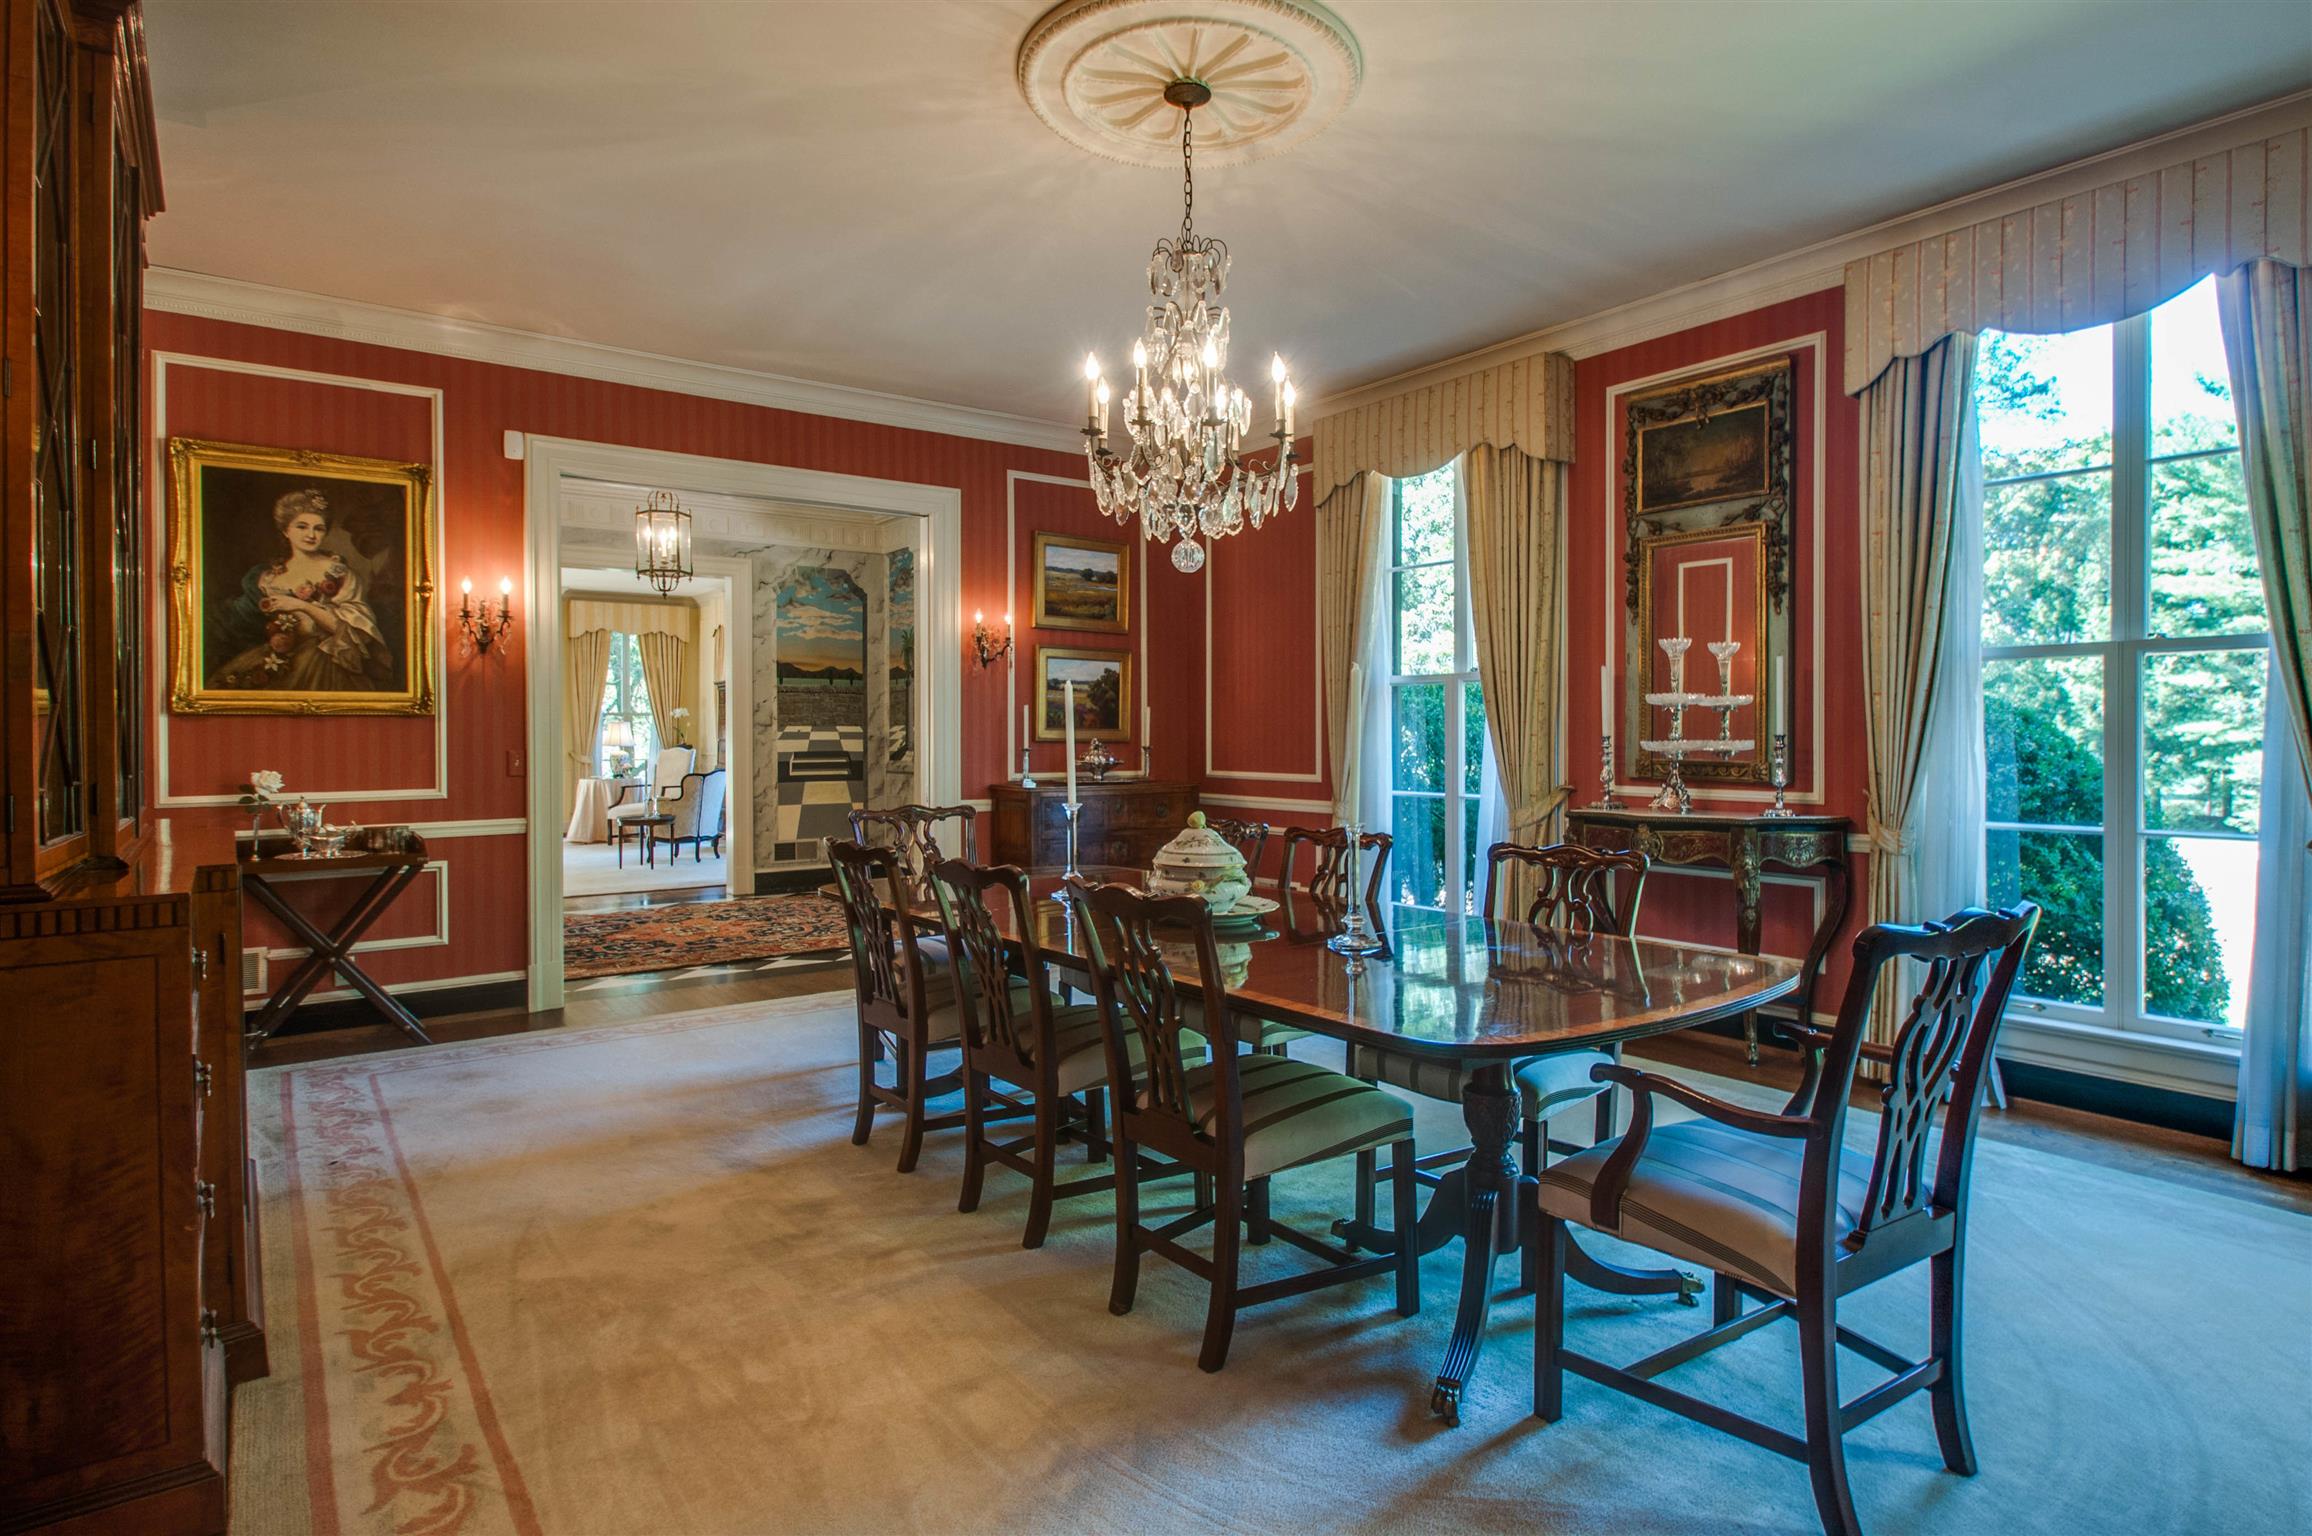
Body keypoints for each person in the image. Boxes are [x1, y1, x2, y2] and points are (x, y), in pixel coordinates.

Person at [207, 489, 393, 692]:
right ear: (286, 530)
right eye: (302, 526)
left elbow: (353, 630)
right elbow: (243, 622)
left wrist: (301, 605)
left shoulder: (340, 573)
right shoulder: (269, 577)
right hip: (281, 660)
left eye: (319, 528)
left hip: (327, 660)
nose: (311, 535)